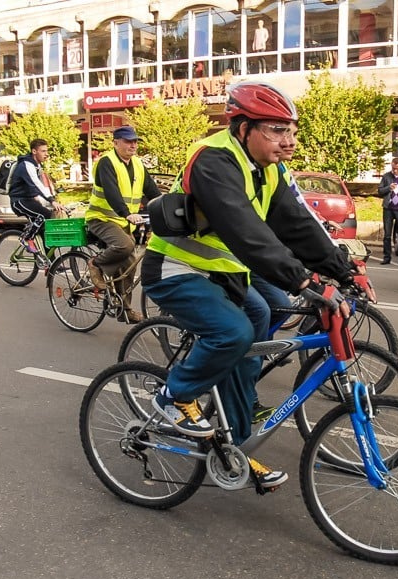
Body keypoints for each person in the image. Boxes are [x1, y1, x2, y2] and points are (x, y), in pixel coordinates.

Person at [141, 81, 358, 490]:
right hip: (175, 268)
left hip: (222, 273)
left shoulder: (268, 171)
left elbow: (296, 225)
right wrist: (305, 281)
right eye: (276, 130)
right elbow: (247, 232)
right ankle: (173, 396)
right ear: (243, 128)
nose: (288, 141)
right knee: (234, 332)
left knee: (255, 332)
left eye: (291, 130)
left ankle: (236, 448)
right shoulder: (213, 160)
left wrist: (343, 270)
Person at [85, 126, 159, 324]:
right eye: (128, 141)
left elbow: (152, 190)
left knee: (130, 264)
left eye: (135, 141)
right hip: (101, 218)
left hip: (124, 222)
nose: (133, 145)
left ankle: (123, 309)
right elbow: (111, 192)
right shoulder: (106, 162)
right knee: (125, 245)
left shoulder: (138, 164)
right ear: (115, 142)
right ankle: (96, 264)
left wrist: (165, 207)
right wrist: (127, 214)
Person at [9, 139, 65, 251]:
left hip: (27, 199)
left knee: (46, 225)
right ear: (34, 151)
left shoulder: (35, 165)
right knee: (43, 215)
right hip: (18, 201)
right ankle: (27, 239)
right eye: (43, 151)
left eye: (46, 151)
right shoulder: (26, 165)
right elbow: (37, 184)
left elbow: (29, 185)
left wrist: (36, 198)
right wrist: (51, 200)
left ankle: (49, 264)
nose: (46, 154)